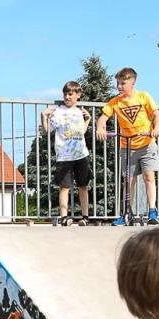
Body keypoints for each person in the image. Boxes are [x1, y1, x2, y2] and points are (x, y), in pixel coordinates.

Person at [96, 68, 159, 226]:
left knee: (149, 176)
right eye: (118, 83)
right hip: (127, 146)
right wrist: (100, 127)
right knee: (128, 180)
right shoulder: (115, 102)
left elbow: (156, 115)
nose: (119, 86)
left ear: (133, 83)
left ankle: (152, 210)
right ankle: (127, 212)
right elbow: (103, 117)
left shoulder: (143, 96)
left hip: (147, 144)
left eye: (123, 83)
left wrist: (156, 128)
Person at [42, 80, 95, 224]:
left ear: (78, 95)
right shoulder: (58, 111)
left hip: (81, 154)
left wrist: (88, 120)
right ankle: (64, 217)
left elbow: (81, 132)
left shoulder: (79, 112)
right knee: (65, 187)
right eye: (65, 94)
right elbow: (47, 131)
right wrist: (44, 117)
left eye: (70, 94)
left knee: (83, 186)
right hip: (64, 155)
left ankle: (85, 217)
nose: (67, 97)